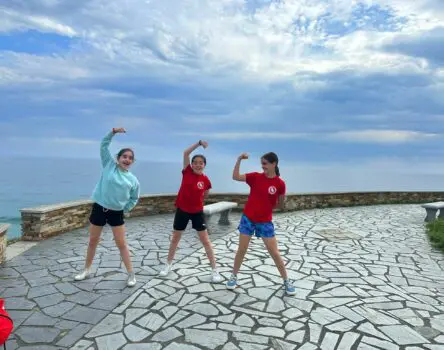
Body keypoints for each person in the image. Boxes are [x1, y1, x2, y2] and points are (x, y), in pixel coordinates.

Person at [74, 128, 140, 287]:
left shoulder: (133, 180)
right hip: (99, 209)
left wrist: (124, 209)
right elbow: (103, 146)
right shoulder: (109, 165)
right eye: (124, 156)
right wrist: (113, 132)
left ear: (132, 161)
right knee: (93, 241)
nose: (127, 159)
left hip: (116, 213)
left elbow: (134, 198)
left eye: (130, 158)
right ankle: (86, 269)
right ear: (118, 158)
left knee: (121, 244)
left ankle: (131, 274)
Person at [226, 152, 296, 295]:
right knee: (242, 249)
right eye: (261, 163)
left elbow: (280, 204)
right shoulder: (255, 177)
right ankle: (233, 276)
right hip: (248, 219)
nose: (262, 166)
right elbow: (235, 176)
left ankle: (286, 281)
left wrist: (266, 209)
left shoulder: (280, 184)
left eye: (264, 163)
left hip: (265, 222)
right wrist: (239, 159)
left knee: (275, 253)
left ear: (273, 164)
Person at [158, 140, 223, 283]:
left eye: (201, 162)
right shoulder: (187, 171)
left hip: (197, 212)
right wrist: (199, 143)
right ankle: (168, 265)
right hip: (182, 210)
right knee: (175, 238)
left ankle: (214, 270)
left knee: (205, 241)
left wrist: (198, 201)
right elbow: (186, 153)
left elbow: (206, 194)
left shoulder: (206, 180)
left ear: (204, 165)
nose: (198, 164)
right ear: (191, 164)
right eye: (196, 162)